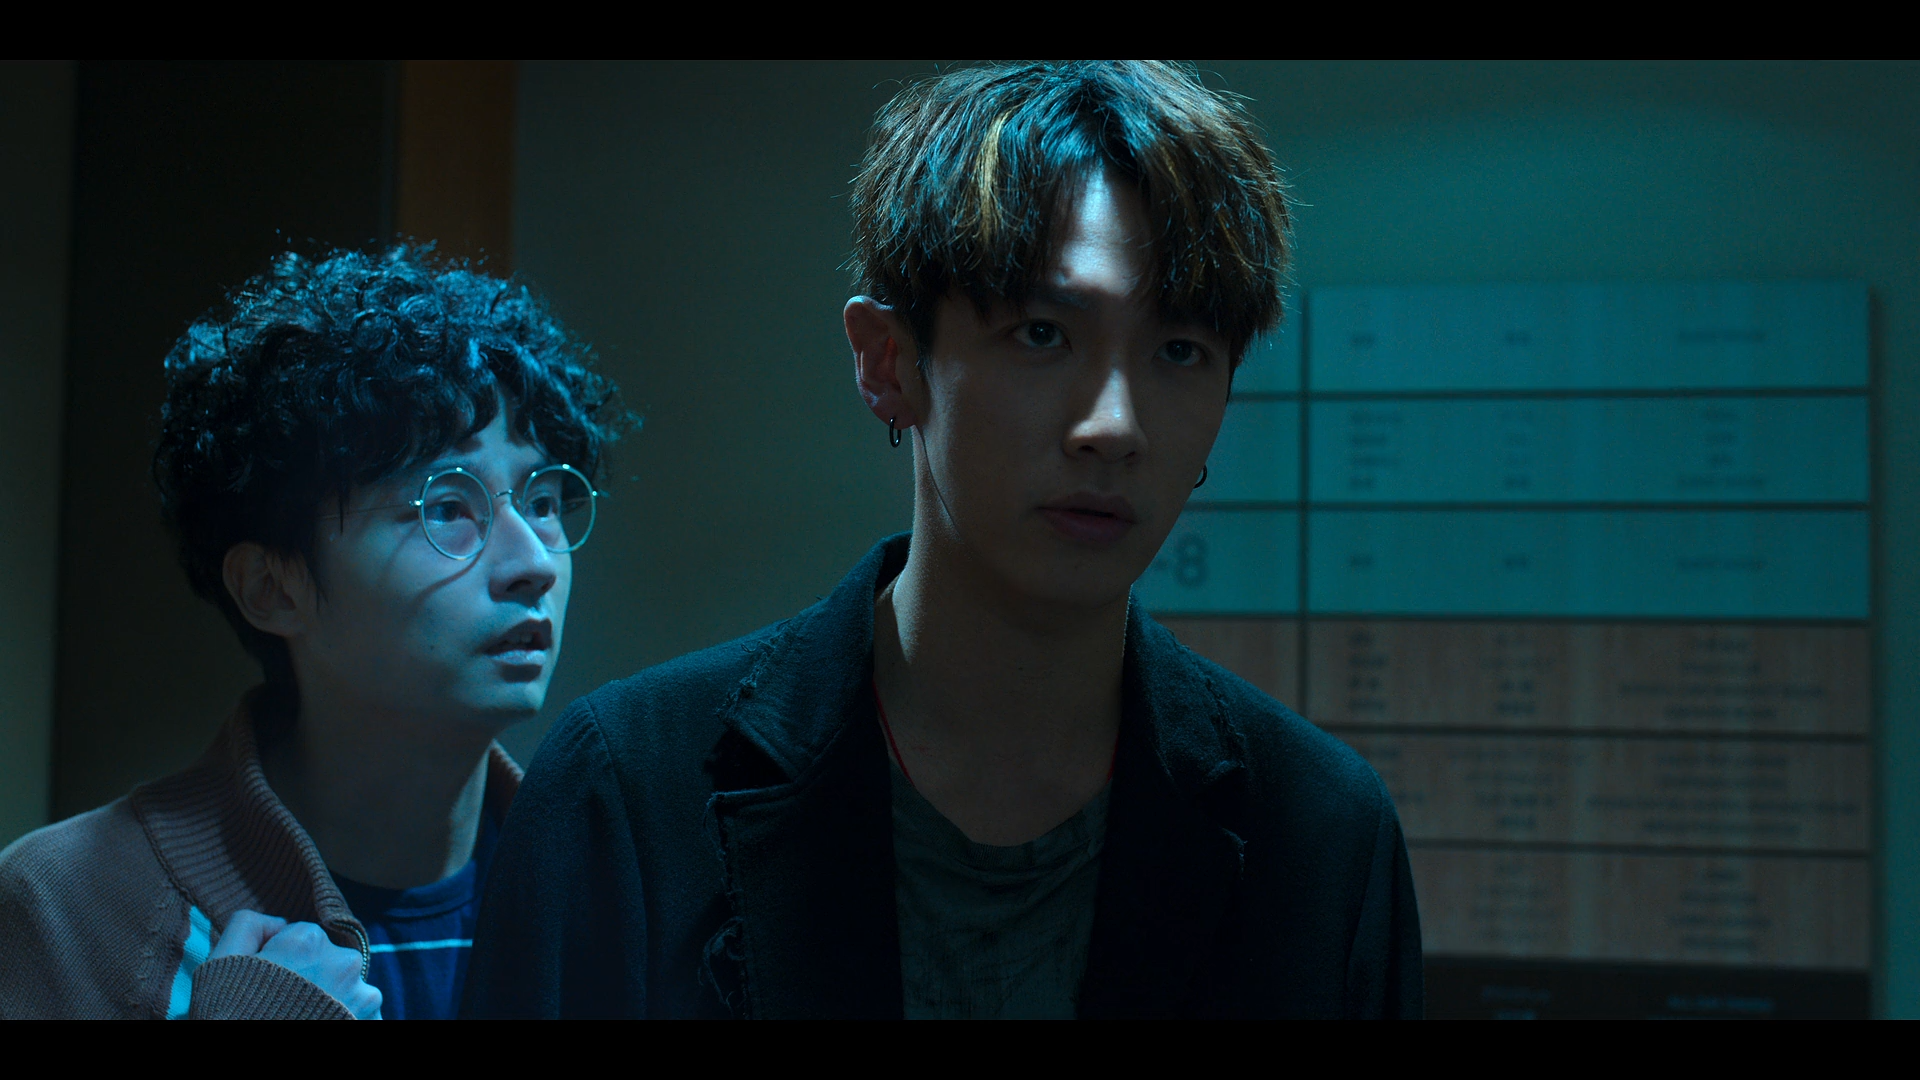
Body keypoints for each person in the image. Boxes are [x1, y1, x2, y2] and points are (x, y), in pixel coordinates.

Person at [465, 61, 1421, 1019]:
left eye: (1180, 351)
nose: (1114, 426)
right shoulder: (629, 796)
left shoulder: (1323, 838)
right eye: (1042, 334)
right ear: (889, 362)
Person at [0, 247, 624, 1019]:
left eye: (544, 501)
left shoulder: (610, 887)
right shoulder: (70, 905)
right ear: (272, 588)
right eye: (445, 508)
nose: (532, 564)